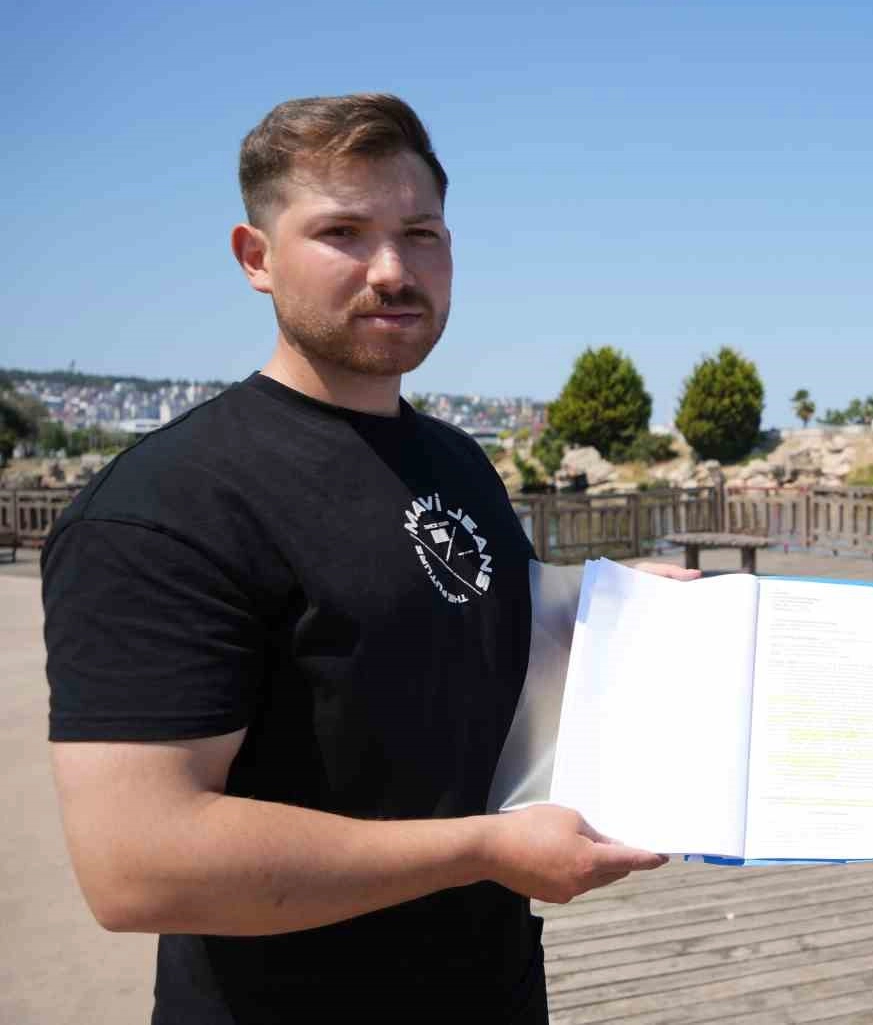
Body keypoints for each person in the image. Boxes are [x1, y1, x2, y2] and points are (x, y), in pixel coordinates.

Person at [42, 93, 687, 1025]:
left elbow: (439, 626)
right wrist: (484, 851)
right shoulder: (166, 505)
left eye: (421, 234)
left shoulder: (455, 460)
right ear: (256, 257)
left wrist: (606, 607)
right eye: (343, 232)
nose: (393, 269)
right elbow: (139, 865)